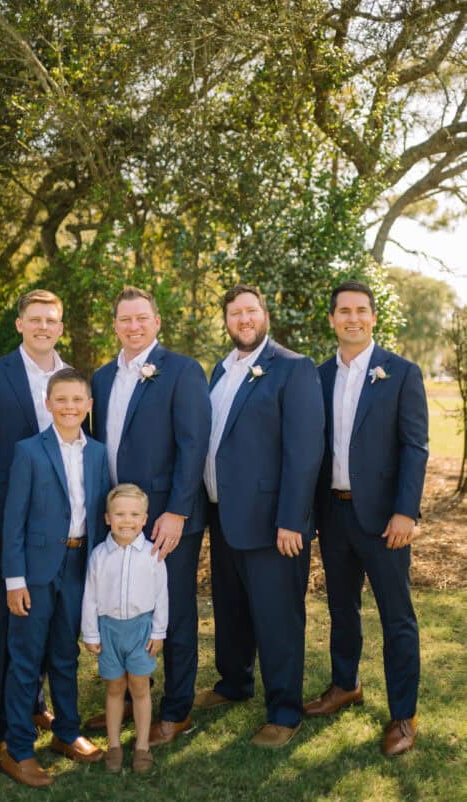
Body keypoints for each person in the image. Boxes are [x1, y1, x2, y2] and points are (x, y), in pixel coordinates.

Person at [304, 280, 429, 756]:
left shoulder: (401, 373)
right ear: (332, 319)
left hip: (383, 519)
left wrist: (405, 512)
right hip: (333, 513)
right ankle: (345, 684)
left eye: (361, 310)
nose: (352, 318)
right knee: (341, 608)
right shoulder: (317, 376)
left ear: (373, 317)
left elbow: (415, 448)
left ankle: (403, 714)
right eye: (343, 311)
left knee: (397, 616)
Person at [197, 283, 325, 747]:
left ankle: (284, 712)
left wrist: (293, 518)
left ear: (264, 314)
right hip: (223, 514)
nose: (243, 320)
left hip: (274, 522)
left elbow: (305, 451)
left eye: (251, 311)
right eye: (235, 313)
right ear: (226, 320)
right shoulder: (220, 368)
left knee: (277, 618)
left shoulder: (292, 368)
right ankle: (234, 684)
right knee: (231, 610)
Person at [86, 286, 211, 746]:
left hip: (166, 519)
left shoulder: (182, 371)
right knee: (124, 606)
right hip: (119, 520)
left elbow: (193, 444)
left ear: (157, 322)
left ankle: (177, 711)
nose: (133, 327)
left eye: (142, 318)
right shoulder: (101, 378)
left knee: (171, 611)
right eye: (125, 320)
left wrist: (177, 511)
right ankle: (132, 695)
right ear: (115, 325)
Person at [0, 289, 66, 779]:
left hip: (64, 527)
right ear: (20, 324)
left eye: (51, 319)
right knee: (7, 625)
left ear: (60, 327)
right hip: (7, 526)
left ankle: (33, 705)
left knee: (48, 623)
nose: (43, 326)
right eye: (35, 319)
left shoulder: (73, 379)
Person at [0, 368, 109, 787]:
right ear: (48, 404)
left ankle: (66, 731)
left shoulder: (98, 453)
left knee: (66, 653)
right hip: (36, 569)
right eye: (60, 400)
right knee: (26, 657)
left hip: (79, 566)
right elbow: (13, 522)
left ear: (88, 405)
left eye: (77, 400)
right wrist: (15, 581)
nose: (69, 407)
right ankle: (19, 748)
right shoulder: (29, 451)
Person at [82, 483, 168, 773]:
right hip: (109, 631)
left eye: (134, 514)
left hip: (141, 631)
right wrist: (91, 633)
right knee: (115, 687)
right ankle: (115, 745)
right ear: (108, 518)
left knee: (140, 687)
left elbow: (161, 596)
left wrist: (158, 632)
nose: (126, 521)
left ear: (144, 519)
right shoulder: (99, 556)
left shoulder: (152, 555)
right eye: (119, 514)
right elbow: (90, 597)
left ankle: (142, 746)